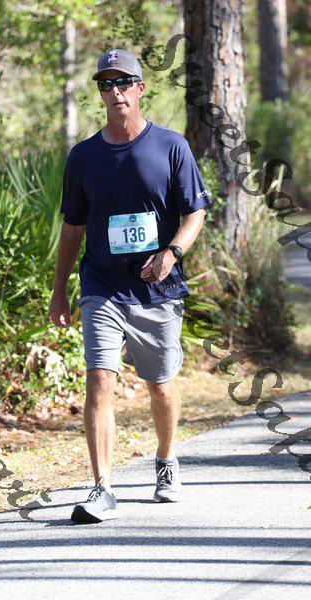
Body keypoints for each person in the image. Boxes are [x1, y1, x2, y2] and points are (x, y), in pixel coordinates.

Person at [49, 48, 212, 524]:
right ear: (100, 93)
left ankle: (166, 458)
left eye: (123, 82)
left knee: (159, 384)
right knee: (100, 378)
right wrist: (59, 289)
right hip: (101, 284)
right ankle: (102, 488)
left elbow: (195, 212)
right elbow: (72, 227)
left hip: (157, 288)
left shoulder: (171, 146)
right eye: (106, 84)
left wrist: (171, 253)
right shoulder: (83, 157)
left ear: (140, 88)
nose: (115, 91)